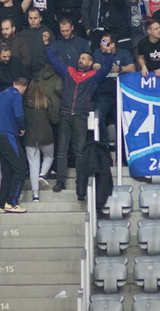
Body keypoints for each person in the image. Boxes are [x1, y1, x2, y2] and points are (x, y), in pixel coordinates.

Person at [43, 30, 116, 198]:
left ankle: (81, 186)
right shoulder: (69, 71)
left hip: (81, 116)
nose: (80, 60)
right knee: (62, 151)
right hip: (65, 113)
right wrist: (47, 44)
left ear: (90, 62)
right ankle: (60, 181)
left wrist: (108, 53)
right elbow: (53, 60)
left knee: (80, 152)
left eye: (84, 58)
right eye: (80, 58)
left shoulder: (94, 76)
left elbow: (106, 68)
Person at [0, 76, 29, 213]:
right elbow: (19, 114)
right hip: (9, 135)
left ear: (14, 83)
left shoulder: (1, 94)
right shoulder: (16, 95)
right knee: (21, 168)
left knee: (7, 171)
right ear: (24, 87)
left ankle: (2, 204)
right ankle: (11, 203)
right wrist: (21, 127)